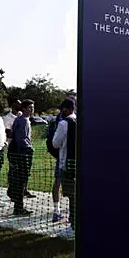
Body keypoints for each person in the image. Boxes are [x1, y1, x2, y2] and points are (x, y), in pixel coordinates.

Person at [52, 98, 78, 237]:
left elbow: (55, 143)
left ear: (67, 109)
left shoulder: (63, 123)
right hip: (78, 163)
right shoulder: (79, 120)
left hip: (66, 163)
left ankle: (74, 227)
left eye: (62, 109)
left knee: (72, 196)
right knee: (78, 195)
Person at [7, 99, 35, 216]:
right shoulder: (23, 120)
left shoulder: (20, 119)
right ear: (23, 108)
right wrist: (30, 148)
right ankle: (18, 208)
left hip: (18, 153)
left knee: (19, 180)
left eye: (33, 108)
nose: (32, 110)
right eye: (29, 108)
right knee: (21, 181)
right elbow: (21, 139)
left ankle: (18, 205)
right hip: (21, 154)